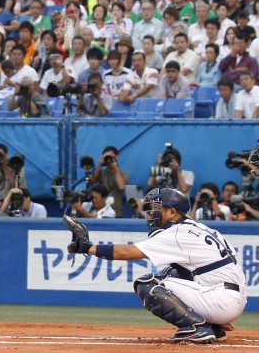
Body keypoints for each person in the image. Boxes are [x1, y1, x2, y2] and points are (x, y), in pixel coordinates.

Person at [65, 187, 246, 343]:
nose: (151, 212)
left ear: (173, 212)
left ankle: (196, 328)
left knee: (148, 284)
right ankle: (214, 327)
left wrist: (88, 248)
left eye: (158, 208)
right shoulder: (200, 228)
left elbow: (127, 253)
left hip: (221, 299)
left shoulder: (176, 232)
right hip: (227, 297)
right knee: (171, 272)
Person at [87, 146, 130, 216]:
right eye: (106, 157)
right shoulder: (102, 172)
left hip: (116, 211)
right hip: (101, 212)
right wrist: (100, 165)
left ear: (117, 157)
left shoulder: (123, 174)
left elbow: (121, 187)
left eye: (110, 157)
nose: (108, 159)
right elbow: (91, 181)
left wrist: (115, 169)